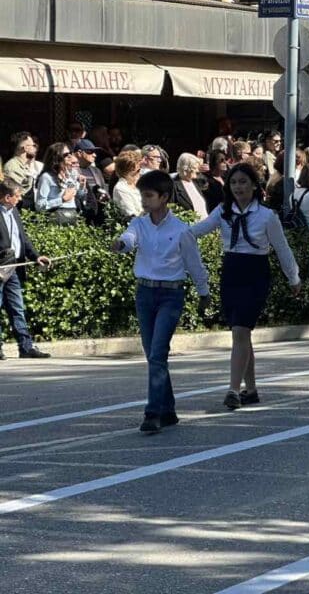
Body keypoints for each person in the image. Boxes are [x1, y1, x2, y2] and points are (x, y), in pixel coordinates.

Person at [190, 163, 301, 409]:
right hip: (231, 271)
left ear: (254, 185)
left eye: (243, 181)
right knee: (241, 332)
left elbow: (282, 248)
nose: (238, 187)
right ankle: (250, 389)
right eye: (233, 182)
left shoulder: (266, 216)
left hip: (255, 272)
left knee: (241, 330)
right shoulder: (223, 211)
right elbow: (196, 231)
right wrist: (173, 236)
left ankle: (233, 389)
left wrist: (293, 277)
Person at [112, 170, 210, 434]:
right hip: (145, 293)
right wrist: (121, 244)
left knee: (157, 353)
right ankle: (168, 409)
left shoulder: (181, 230)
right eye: (142, 194)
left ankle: (153, 412)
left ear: (164, 197)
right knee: (153, 354)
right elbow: (129, 239)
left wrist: (204, 292)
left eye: (149, 195)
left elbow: (194, 264)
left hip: (171, 294)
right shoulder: (139, 224)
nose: (144, 200)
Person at [0, 179, 52, 359]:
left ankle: (26, 347)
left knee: (17, 308)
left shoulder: (13, 211)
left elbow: (22, 238)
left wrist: (36, 256)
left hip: (14, 268)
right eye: (18, 195)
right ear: (7, 197)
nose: (20, 199)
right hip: (0, 269)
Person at [35, 142, 86, 224]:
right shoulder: (47, 177)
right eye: (66, 154)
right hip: (56, 216)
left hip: (73, 214)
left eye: (70, 153)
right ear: (57, 158)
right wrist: (62, 199)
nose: (70, 156)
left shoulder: (72, 174)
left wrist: (81, 186)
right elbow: (40, 206)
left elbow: (79, 196)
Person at [4, 132, 42, 209]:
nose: (35, 148)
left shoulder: (25, 165)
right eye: (33, 145)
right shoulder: (12, 167)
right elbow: (15, 194)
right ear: (25, 148)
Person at [171, 153, 209, 220]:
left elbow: (205, 184)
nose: (197, 170)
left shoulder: (195, 182)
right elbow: (171, 211)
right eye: (194, 168)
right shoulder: (173, 186)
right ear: (185, 169)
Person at [111, 151, 143, 219]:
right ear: (130, 170)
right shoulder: (121, 188)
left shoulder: (138, 185)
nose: (140, 173)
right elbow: (131, 215)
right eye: (138, 170)